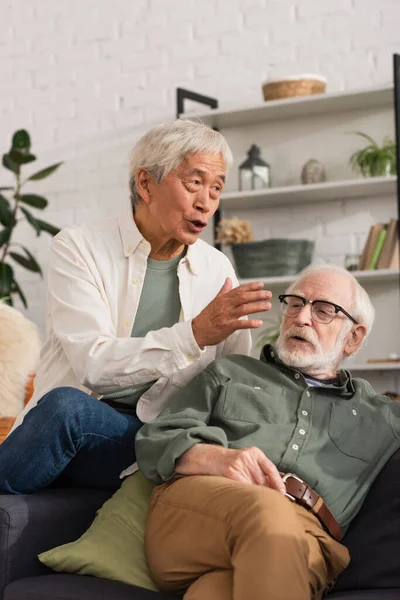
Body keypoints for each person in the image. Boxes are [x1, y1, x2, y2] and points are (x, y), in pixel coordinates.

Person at [0, 119, 273, 495]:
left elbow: (232, 383)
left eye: (216, 187)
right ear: (145, 184)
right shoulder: (79, 247)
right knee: (67, 407)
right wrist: (193, 335)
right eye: (194, 182)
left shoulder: (218, 270)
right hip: (77, 422)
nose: (206, 200)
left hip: (156, 441)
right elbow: (93, 365)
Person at [136, 263, 400, 600]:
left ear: (353, 338)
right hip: (200, 509)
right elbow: (155, 437)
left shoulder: (381, 416)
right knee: (269, 515)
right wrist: (214, 458)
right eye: (295, 303)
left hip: (308, 540)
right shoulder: (231, 372)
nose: (301, 318)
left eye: (323, 311)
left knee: (215, 593)